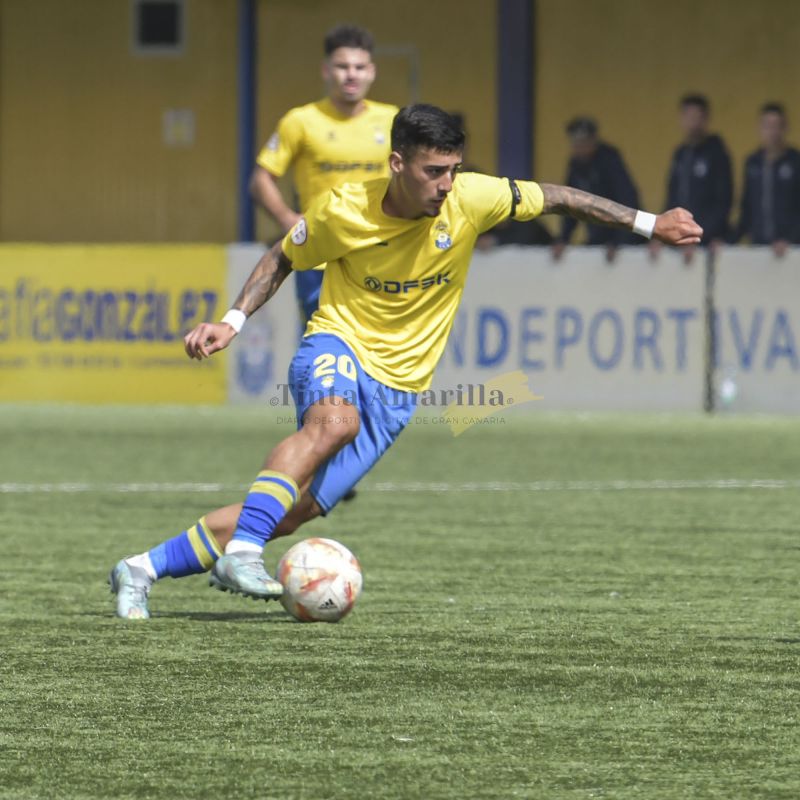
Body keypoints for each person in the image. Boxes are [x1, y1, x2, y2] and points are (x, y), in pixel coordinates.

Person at [109, 104, 702, 619]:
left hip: (398, 393)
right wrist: (232, 321)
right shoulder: (344, 210)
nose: (447, 184)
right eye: (433, 171)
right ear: (397, 164)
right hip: (338, 345)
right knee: (334, 424)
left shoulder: (472, 199)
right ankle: (242, 551)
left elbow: (560, 198)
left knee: (290, 514)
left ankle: (140, 568)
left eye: (453, 169)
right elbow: (282, 257)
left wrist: (649, 223)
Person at [250, 24, 397, 325]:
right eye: (342, 67)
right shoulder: (301, 121)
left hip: (379, 251)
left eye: (359, 67)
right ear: (326, 70)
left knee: (379, 339)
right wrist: (286, 219)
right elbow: (260, 180)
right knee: (323, 337)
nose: (351, 75)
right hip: (319, 256)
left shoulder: (393, 119)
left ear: (372, 72)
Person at [553, 117, 640, 261]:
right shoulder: (575, 166)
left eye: (584, 142)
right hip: (597, 237)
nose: (580, 147)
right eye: (575, 142)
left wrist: (619, 241)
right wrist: (563, 239)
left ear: (593, 140)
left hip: (624, 237)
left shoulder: (609, 159)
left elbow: (627, 199)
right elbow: (570, 204)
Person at [664, 94, 732, 249]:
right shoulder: (680, 155)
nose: (693, 123)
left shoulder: (717, 153)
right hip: (680, 241)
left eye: (697, 117)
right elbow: (671, 198)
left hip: (708, 242)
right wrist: (662, 233)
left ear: (706, 119)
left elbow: (723, 201)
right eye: (688, 117)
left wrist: (699, 236)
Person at [735, 102, 800, 256]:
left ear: (785, 128)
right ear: (760, 128)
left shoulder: (795, 161)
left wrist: (790, 239)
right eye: (767, 126)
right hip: (759, 247)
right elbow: (747, 208)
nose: (772, 132)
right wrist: (728, 239)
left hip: (792, 249)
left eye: (776, 126)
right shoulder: (753, 163)